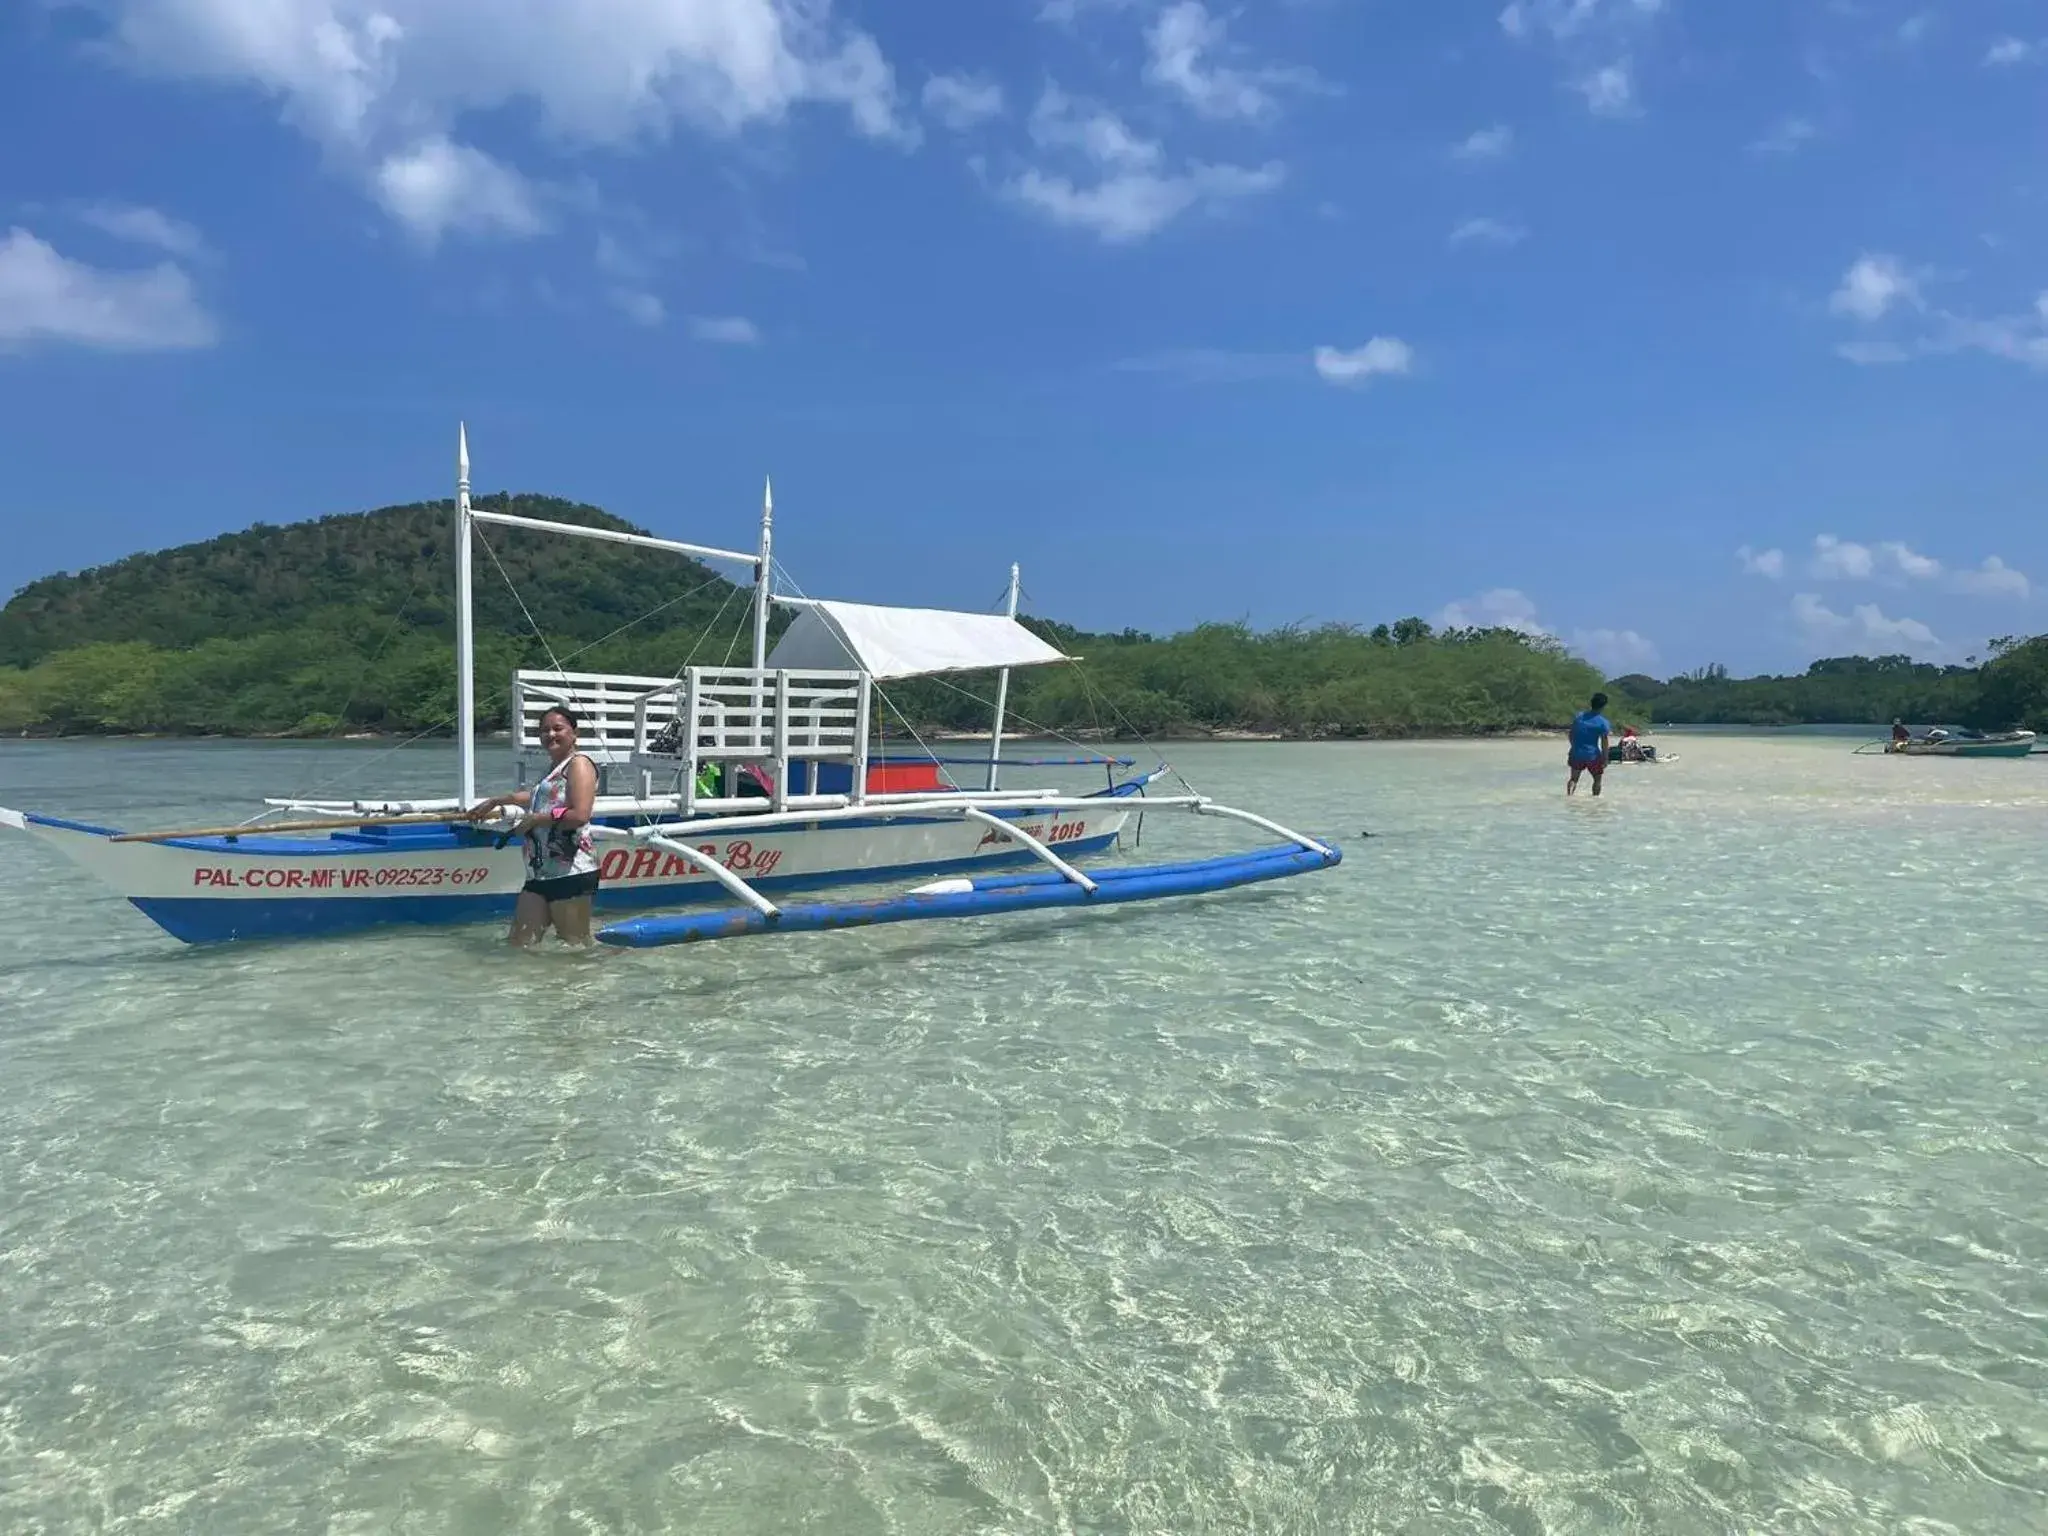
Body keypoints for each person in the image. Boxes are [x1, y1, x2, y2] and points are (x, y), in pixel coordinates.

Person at [467, 704, 601, 946]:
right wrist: (497, 800)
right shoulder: (554, 769)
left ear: (575, 733)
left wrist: (537, 819)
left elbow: (580, 813)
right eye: (544, 730)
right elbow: (539, 796)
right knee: (520, 944)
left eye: (558, 728)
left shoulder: (579, 763)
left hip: (572, 870)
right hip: (539, 872)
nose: (550, 735)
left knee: (576, 947)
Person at [1567, 692, 1612, 796]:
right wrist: (1605, 758)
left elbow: (1571, 734)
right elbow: (1604, 743)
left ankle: (1569, 798)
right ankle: (1595, 802)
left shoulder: (1579, 717)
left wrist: (1574, 747)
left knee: (1573, 779)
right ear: (1603, 706)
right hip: (1593, 755)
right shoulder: (1603, 722)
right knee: (1597, 780)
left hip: (1576, 753)